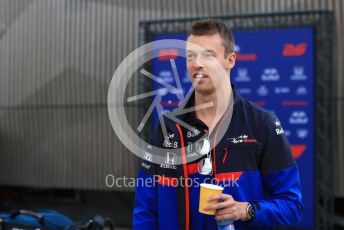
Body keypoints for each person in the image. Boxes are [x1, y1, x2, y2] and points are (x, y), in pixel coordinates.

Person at [133, 19, 303, 230]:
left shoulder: (262, 123)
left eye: (208, 55)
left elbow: (292, 205)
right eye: (191, 56)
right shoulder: (168, 128)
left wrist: (246, 210)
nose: (197, 63)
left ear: (230, 60)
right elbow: (146, 208)